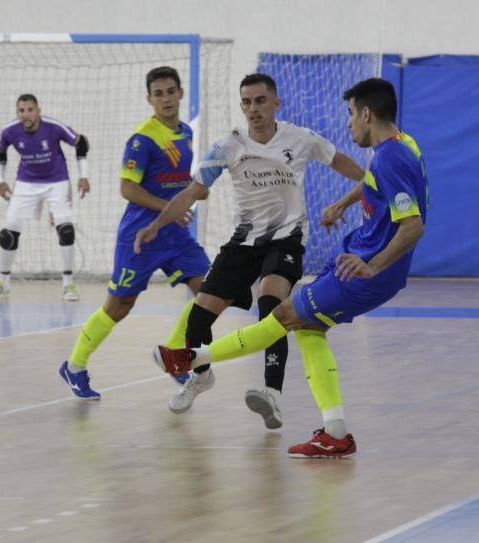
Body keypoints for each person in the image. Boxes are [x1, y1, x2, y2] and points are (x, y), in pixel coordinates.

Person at [150, 77, 428, 458]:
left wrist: (372, 264)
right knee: (310, 330)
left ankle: (194, 359)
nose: (348, 124)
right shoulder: (404, 146)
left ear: (366, 113)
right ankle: (335, 431)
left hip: (355, 267)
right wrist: (344, 205)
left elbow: (412, 224)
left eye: (350, 115)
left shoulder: (385, 156)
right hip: (319, 255)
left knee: (282, 314)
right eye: (245, 101)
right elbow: (379, 185)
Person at [134, 73, 365, 426]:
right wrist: (156, 224)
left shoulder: (300, 139)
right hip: (243, 242)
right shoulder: (228, 146)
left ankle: (272, 394)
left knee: (272, 305)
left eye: (260, 101)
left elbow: (343, 163)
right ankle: (201, 376)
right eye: (246, 102)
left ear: (276, 104)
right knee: (199, 317)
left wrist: (365, 188)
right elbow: (192, 193)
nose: (253, 109)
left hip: (287, 237)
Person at [58, 66, 210, 400]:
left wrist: (193, 192)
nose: (166, 98)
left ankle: (172, 352)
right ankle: (75, 365)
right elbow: (127, 189)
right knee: (119, 306)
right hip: (141, 234)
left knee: (211, 291)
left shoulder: (184, 132)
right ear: (149, 99)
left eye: (171, 91)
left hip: (175, 232)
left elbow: (176, 180)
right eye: (159, 93)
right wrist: (167, 208)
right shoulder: (142, 139)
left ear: (181, 93)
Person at [0, 94, 90, 302]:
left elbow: (81, 143)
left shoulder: (53, 127)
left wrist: (83, 176)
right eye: (21, 111)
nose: (26, 115)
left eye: (30, 110)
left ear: (38, 110)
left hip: (56, 181)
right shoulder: (10, 130)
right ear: (17, 113)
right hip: (26, 182)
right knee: (8, 233)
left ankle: (68, 285)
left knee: (65, 229)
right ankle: (2, 283)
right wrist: (0, 180)